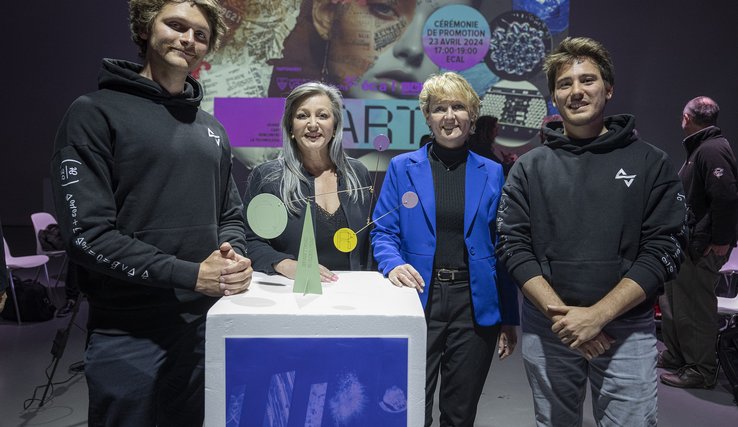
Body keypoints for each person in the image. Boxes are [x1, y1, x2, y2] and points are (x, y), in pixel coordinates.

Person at [50, 1, 252, 425]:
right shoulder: (93, 113)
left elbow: (230, 213)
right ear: (145, 28)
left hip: (203, 324)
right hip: (127, 331)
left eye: (200, 34)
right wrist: (192, 274)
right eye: (176, 26)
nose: (188, 40)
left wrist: (230, 258)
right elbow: (88, 236)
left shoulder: (212, 129)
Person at [496, 37, 686, 426]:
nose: (576, 91)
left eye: (588, 80)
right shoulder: (529, 168)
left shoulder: (650, 162)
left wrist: (598, 315)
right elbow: (513, 246)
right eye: (565, 84)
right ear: (553, 96)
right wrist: (568, 321)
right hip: (551, 328)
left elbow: (664, 248)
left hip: (626, 331)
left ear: (609, 88)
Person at [371, 72, 519, 427]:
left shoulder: (493, 173)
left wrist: (510, 317)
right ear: (427, 116)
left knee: (459, 413)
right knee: (409, 408)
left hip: (474, 306)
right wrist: (392, 264)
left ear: (472, 116)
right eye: (439, 108)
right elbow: (383, 231)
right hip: (417, 297)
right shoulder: (401, 168)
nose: (449, 116)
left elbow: (504, 247)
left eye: (458, 107)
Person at [244, 82, 373, 281]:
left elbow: (375, 236)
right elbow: (250, 240)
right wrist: (284, 264)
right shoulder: (268, 177)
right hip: (292, 294)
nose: (313, 124)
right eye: (302, 116)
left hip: (351, 295)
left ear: (335, 125)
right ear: (290, 127)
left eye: (322, 115)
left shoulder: (358, 173)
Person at [659, 96, 738, 388]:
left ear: (686, 117)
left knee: (696, 308)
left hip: (701, 245)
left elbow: (727, 197)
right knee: (676, 301)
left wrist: (720, 240)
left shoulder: (712, 149)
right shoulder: (702, 148)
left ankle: (701, 370)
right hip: (688, 243)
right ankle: (678, 356)